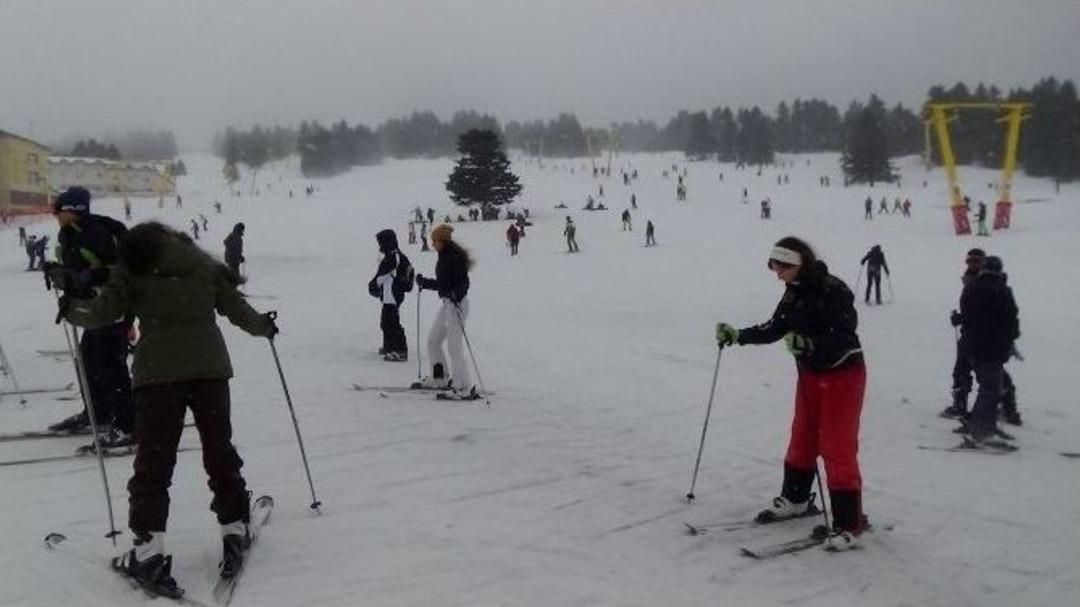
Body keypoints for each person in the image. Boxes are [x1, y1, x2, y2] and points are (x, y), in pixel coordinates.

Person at [59, 221, 278, 593]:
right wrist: (265, 327)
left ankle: (148, 551)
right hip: (209, 374)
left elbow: (102, 313)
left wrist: (71, 307)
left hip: (158, 378)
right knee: (218, 450)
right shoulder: (204, 266)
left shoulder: (133, 266)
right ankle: (234, 527)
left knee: (154, 462)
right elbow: (239, 311)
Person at [715, 236, 867, 549]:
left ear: (800, 264)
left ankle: (850, 522)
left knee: (836, 445)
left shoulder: (832, 290)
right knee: (803, 437)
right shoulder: (793, 293)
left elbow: (846, 333)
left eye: (783, 265)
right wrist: (737, 335)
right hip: (810, 375)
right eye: (774, 265)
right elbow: (774, 328)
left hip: (843, 374)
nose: (777, 272)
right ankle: (796, 499)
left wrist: (812, 344)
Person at [45, 187, 135, 447]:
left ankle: (127, 424)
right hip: (95, 309)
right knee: (87, 362)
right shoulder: (72, 233)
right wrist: (60, 273)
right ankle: (99, 413)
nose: (54, 214)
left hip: (113, 308)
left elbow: (120, 271)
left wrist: (92, 277)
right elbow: (81, 269)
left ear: (74, 211)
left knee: (110, 366)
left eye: (58, 210)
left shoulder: (97, 233)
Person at [956, 256, 1018, 447]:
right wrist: (1010, 339)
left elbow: (965, 315)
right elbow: (1010, 319)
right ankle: (983, 431)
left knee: (988, 388)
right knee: (991, 390)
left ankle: (983, 425)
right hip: (992, 348)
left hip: (972, 346)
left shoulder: (971, 288)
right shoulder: (1001, 290)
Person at [415, 225, 476, 399]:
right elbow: (444, 284)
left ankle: (462, 385)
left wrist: (456, 293)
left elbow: (464, 283)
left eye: (434, 241)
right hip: (447, 304)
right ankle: (439, 377)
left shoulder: (454, 258)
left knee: (454, 346)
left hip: (457, 305)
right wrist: (425, 282)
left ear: (442, 241)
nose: (432, 244)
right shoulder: (444, 256)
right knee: (433, 340)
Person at [943, 249, 985, 419]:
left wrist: (961, 318)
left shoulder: (984, 282)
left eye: (977, 261)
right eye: (970, 261)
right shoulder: (969, 280)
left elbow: (982, 312)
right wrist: (961, 318)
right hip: (969, 334)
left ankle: (996, 406)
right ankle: (960, 404)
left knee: (986, 373)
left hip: (980, 336)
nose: (972, 264)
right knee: (961, 370)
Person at [369, 229, 410, 361]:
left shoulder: (394, 256)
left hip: (393, 293)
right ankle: (389, 346)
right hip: (389, 294)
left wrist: (373, 285)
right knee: (386, 321)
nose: (379, 246)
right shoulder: (392, 255)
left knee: (392, 322)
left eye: (380, 242)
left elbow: (383, 275)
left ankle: (401, 350)